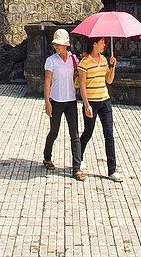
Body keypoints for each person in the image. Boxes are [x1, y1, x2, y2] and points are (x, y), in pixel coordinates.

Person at [76, 37, 123, 182]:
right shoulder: (85, 63)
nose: (104, 45)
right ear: (94, 44)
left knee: (109, 134)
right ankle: (79, 158)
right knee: (88, 132)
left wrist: (112, 66)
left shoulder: (103, 60)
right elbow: (82, 85)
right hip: (91, 101)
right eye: (102, 42)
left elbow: (109, 80)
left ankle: (112, 169)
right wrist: (86, 104)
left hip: (105, 101)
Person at [42, 28, 81, 178]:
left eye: (59, 45)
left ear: (66, 45)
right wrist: (47, 102)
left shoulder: (73, 59)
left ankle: (76, 168)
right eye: (55, 45)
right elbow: (47, 82)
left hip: (71, 100)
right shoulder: (51, 61)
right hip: (56, 100)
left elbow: (77, 76)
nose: (56, 47)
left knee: (75, 134)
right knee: (54, 131)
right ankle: (47, 156)